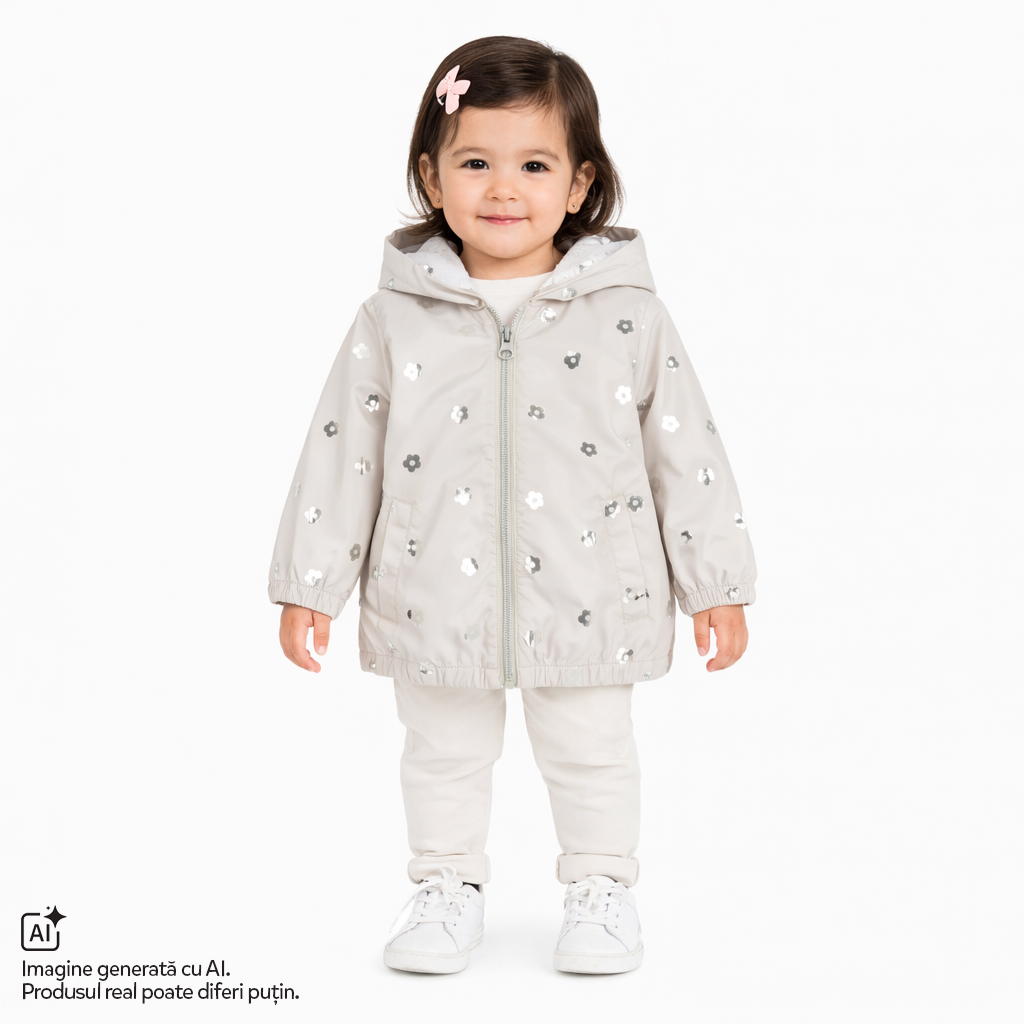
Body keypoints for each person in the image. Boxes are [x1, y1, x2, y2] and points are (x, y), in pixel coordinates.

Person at [268, 35, 756, 975]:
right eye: (474, 163)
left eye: (534, 165)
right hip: (433, 589)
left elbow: (685, 451)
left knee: (592, 748)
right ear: (431, 176)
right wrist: (309, 584)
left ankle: (601, 889)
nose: (503, 189)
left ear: (579, 184)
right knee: (440, 750)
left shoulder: (628, 314)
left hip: (591, 585)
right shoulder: (392, 318)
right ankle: (445, 886)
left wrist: (717, 583)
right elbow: (342, 453)